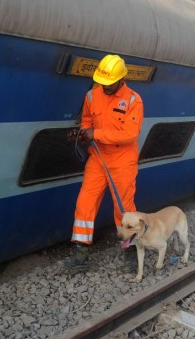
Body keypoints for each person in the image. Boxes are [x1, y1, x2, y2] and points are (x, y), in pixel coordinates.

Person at [62, 54, 144, 269]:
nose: (105, 87)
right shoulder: (91, 96)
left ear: (121, 79)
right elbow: (87, 120)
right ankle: (81, 254)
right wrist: (83, 132)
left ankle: (131, 251)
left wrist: (94, 134)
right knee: (84, 204)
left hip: (122, 161)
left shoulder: (134, 101)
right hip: (98, 158)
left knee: (124, 209)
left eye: (109, 84)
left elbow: (129, 134)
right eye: (102, 83)